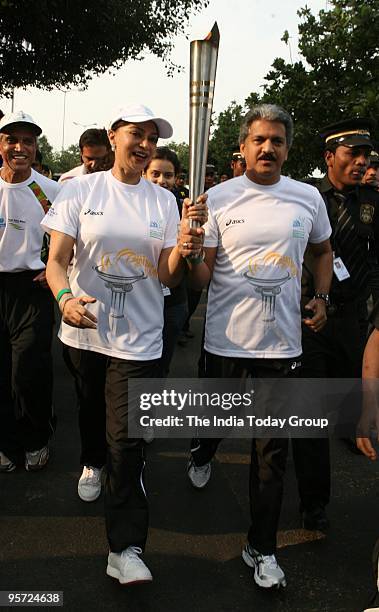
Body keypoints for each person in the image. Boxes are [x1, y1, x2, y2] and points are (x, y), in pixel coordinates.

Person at [42, 103, 206, 585]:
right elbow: (57, 262)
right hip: (85, 328)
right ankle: (89, 461)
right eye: (137, 134)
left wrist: (181, 249)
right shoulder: (79, 190)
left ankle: (125, 547)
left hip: (138, 337)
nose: (146, 144)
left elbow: (167, 276)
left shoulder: (163, 200)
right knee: (91, 413)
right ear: (114, 137)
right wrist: (65, 297)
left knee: (128, 442)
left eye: (152, 138)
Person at [184, 104, 332, 588]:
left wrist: (322, 296)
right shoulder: (217, 198)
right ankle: (202, 449)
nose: (268, 148)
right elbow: (203, 276)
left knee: (272, 455)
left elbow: (322, 250)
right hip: (225, 341)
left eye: (277, 140)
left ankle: (261, 547)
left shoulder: (307, 197)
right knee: (216, 422)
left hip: (283, 346)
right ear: (243, 147)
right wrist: (190, 255)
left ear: (288, 148)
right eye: (259, 140)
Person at [299, 119, 379, 531]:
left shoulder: (371, 201)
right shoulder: (308, 198)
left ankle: (351, 429)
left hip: (355, 320)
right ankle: (314, 502)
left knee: (352, 397)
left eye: (365, 155)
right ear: (330, 158)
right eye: (353, 154)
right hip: (312, 317)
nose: (361, 162)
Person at [0, 110, 60, 473]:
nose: (20, 148)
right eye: (11, 140)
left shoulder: (49, 191)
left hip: (33, 290)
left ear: (36, 147)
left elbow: (70, 238)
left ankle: (37, 436)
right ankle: (6, 443)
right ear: (0, 145)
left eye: (28, 141)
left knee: (28, 370)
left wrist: (56, 265)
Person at [143, 147, 188, 376]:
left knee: (159, 369)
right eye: (156, 174)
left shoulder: (187, 210)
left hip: (172, 302)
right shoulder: (133, 209)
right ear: (144, 174)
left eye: (168, 175)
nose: (162, 181)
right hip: (140, 301)